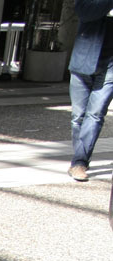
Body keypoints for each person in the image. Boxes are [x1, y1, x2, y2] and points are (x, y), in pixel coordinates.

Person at [68, 0, 113, 181]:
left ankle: (79, 162)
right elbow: (85, 13)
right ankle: (79, 157)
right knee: (78, 116)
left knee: (95, 115)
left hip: (110, 65)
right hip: (83, 61)